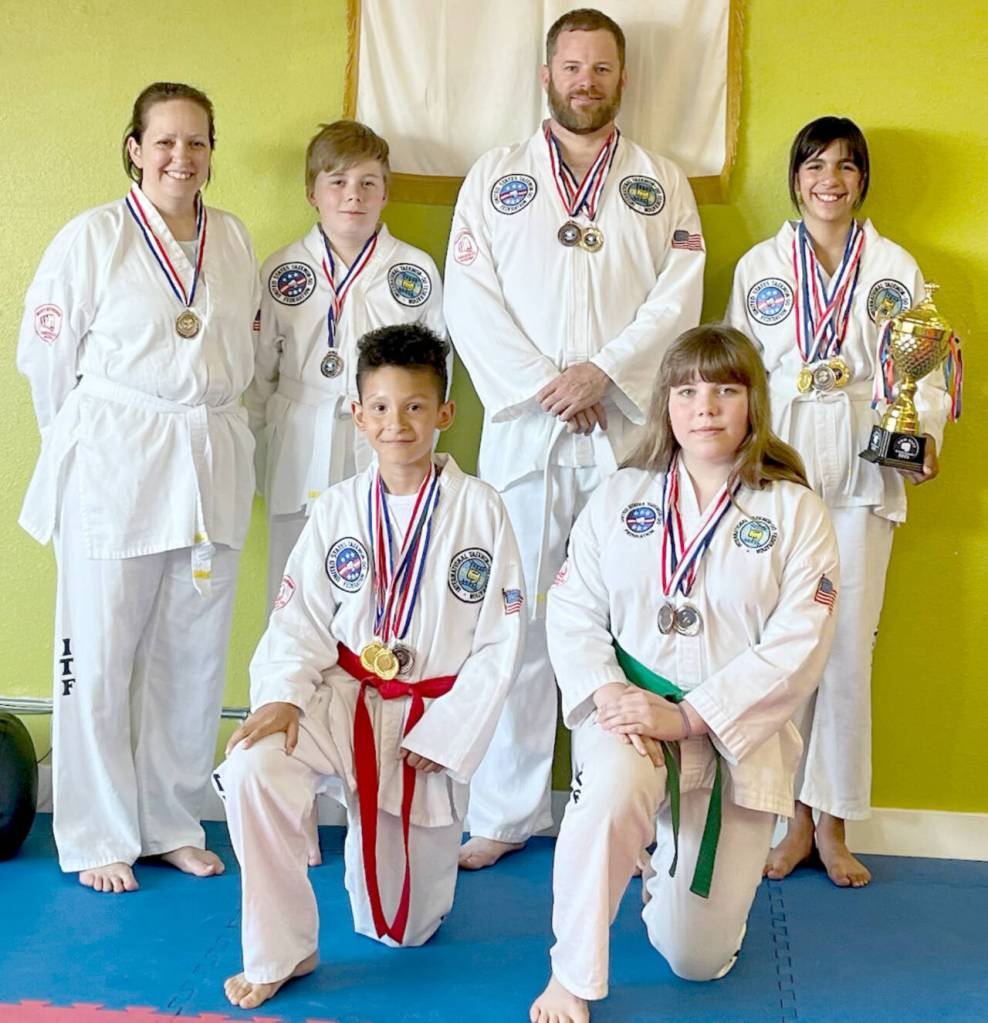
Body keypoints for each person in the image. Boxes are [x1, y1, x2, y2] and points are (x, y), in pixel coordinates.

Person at [444, 6, 704, 870]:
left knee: (630, 622)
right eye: (571, 67)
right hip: (527, 431)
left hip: (624, 432)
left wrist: (606, 373)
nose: (585, 82)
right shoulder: (495, 176)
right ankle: (506, 808)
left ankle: (623, 807)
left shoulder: (661, 182)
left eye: (600, 68)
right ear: (546, 75)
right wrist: (545, 386)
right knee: (516, 621)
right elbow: (468, 298)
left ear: (622, 78)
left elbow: (678, 298)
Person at [530, 325, 839, 1023]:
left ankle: (664, 875)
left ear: (753, 403)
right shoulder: (621, 495)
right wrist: (609, 691)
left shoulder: (796, 511)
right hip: (634, 717)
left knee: (697, 960)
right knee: (607, 795)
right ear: (665, 404)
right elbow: (574, 607)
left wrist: (691, 715)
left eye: (725, 389)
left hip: (735, 736)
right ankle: (570, 976)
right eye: (687, 391)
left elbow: (800, 644)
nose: (705, 407)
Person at [215, 324, 525, 1010]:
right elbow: (298, 617)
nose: (397, 423)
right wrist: (283, 696)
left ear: (444, 413)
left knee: (403, 930)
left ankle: (390, 857)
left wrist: (448, 733)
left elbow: (502, 641)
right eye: (380, 407)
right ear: (357, 415)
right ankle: (281, 949)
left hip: (427, 713)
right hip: (341, 695)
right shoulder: (337, 508)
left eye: (415, 406)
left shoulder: (482, 509)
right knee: (251, 768)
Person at [16, 82, 260, 893]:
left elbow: (242, 352)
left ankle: (171, 822)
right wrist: (88, 445)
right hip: (116, 458)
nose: (181, 157)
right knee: (100, 651)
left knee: (192, 652)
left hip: (207, 455)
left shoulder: (231, 238)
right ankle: (96, 832)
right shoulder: (93, 237)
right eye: (165, 141)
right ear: (135, 148)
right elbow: (47, 363)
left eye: (196, 142)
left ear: (212, 151)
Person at [725, 116, 955, 887]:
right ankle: (785, 819)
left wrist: (921, 436)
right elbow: (739, 371)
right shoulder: (760, 266)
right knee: (783, 646)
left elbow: (923, 372)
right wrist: (732, 461)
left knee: (848, 649)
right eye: (817, 164)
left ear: (863, 180)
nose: (831, 179)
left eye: (847, 166)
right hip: (782, 461)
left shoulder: (893, 266)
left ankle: (834, 821)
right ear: (796, 178)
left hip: (863, 462)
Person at [248, 120, 446, 610]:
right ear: (312, 192)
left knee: (380, 580)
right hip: (299, 436)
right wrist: (257, 447)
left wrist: (416, 448)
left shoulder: (415, 271)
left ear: (386, 193)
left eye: (368, 183)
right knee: (293, 583)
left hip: (384, 436)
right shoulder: (280, 270)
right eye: (337, 182)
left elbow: (436, 374)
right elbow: (258, 374)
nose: (353, 195)